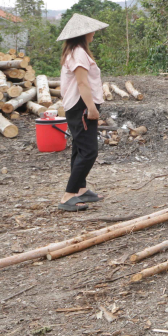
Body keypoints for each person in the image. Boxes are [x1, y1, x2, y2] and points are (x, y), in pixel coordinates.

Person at [55, 14, 108, 212]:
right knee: (89, 151)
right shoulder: (78, 53)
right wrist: (92, 108)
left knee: (79, 148)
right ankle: (68, 195)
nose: (94, 33)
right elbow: (82, 83)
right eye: (91, 30)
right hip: (82, 106)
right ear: (84, 33)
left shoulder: (76, 51)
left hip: (78, 106)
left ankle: (81, 189)